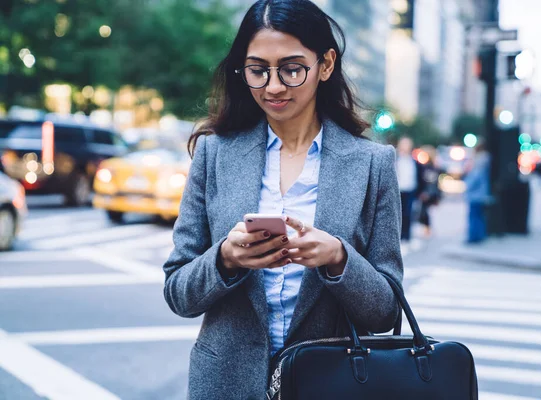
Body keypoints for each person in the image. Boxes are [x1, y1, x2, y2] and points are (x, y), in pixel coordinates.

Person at [162, 1, 404, 398]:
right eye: (258, 71)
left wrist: (338, 258)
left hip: (330, 382)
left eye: (292, 69)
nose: (273, 86)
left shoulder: (372, 164)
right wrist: (225, 258)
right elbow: (178, 292)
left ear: (325, 65)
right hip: (225, 383)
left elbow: (385, 313)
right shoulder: (215, 153)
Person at [395, 137, 424, 244]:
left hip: (410, 190)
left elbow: (419, 176)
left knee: (408, 213)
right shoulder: (395, 159)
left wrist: (420, 191)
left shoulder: (414, 161)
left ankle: (407, 236)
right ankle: (398, 236)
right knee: (398, 214)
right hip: (398, 191)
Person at [463, 142, 491, 244]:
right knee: (479, 215)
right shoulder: (485, 160)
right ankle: (479, 235)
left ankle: (473, 237)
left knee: (473, 215)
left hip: (475, 194)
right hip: (481, 193)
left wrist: (467, 185)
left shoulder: (479, 161)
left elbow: (475, 177)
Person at [416, 145, 442, 238]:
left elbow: (435, 183)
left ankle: (428, 229)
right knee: (423, 211)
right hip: (424, 192)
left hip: (430, 193)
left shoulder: (433, 167)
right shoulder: (421, 166)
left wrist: (437, 195)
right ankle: (427, 228)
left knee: (425, 212)